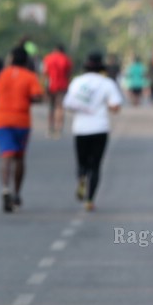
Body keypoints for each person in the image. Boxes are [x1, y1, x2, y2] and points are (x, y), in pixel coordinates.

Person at [64, 52, 123, 212]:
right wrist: (106, 106)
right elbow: (116, 107)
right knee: (96, 165)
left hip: (80, 129)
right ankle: (90, 200)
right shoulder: (106, 83)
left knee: (82, 163)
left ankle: (81, 177)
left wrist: (83, 106)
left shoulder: (77, 82)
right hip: (99, 128)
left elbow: (68, 103)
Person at [0, 47, 44, 213]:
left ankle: (5, 188)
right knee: (20, 158)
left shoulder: (1, 74)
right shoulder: (30, 76)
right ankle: (17, 193)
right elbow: (37, 96)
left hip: (1, 120)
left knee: (6, 155)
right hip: (22, 122)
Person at [43, 44, 72, 138]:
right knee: (60, 107)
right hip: (62, 85)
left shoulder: (48, 58)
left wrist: (44, 86)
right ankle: (58, 128)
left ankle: (50, 127)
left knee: (51, 107)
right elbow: (69, 73)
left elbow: (45, 73)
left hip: (50, 85)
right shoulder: (66, 59)